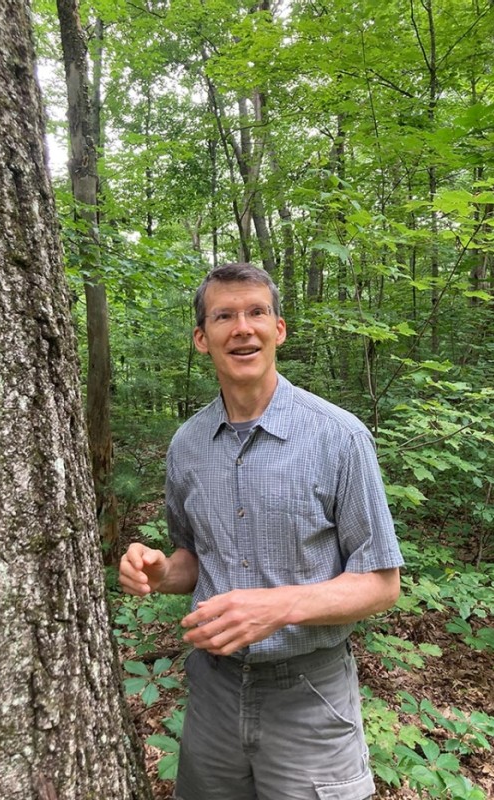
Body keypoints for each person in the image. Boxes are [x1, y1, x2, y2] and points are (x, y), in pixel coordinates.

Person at [120, 263, 404, 800]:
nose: (242, 327)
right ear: (203, 339)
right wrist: (160, 571)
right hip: (213, 693)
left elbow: (381, 583)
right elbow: (193, 559)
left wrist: (279, 607)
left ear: (279, 329)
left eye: (257, 312)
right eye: (224, 315)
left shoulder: (339, 437)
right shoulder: (188, 445)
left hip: (310, 693)